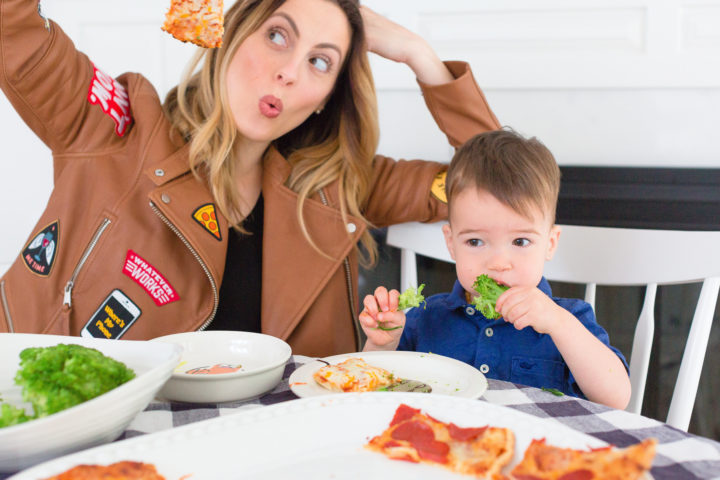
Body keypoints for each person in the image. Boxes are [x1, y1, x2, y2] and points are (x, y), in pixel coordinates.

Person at [0, 0, 500, 356]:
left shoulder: (338, 185)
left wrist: (418, 54)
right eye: (277, 35)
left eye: (320, 61)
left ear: (325, 96)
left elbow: (496, 185)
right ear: (233, 30)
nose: (289, 72)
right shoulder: (121, 125)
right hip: (70, 430)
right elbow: (12, 22)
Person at [359, 129, 632, 409]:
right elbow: (376, 391)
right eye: (475, 241)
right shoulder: (425, 319)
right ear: (451, 244)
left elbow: (615, 398)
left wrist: (560, 325)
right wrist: (382, 346)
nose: (499, 262)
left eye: (520, 241)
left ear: (550, 243)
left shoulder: (569, 320)